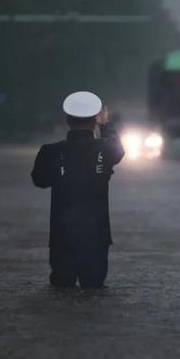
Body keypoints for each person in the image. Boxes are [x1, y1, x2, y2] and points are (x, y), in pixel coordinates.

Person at [31, 91, 124, 289]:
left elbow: (39, 180)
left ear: (67, 120)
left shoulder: (51, 151)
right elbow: (118, 150)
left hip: (62, 236)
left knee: (61, 291)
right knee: (94, 292)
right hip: (96, 236)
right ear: (94, 121)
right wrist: (106, 124)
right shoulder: (105, 149)